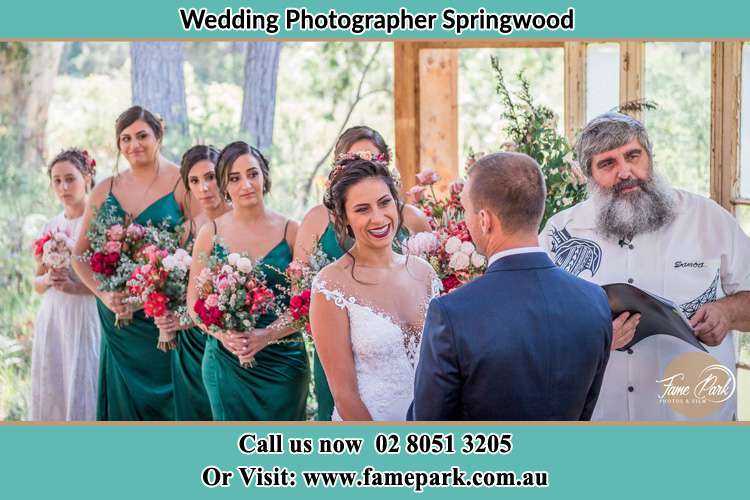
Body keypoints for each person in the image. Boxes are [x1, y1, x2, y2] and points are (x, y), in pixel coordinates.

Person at [540, 112, 750, 420]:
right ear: (588, 176)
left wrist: (726, 313)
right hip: (600, 428)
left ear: (649, 158)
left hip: (694, 429)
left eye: (633, 155)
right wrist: (591, 339)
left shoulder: (708, 220)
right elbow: (537, 326)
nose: (625, 171)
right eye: (607, 163)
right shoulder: (561, 233)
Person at [409, 152, 612, 420]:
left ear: (485, 220)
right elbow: (585, 412)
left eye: (466, 211)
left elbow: (428, 429)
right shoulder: (594, 300)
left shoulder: (452, 313)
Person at [295, 125, 431, 421]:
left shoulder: (424, 273)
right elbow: (344, 394)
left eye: (384, 203)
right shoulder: (331, 285)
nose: (378, 218)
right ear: (344, 217)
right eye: (362, 209)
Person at [73, 106, 188, 420]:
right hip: (119, 317)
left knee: (172, 399)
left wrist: (159, 296)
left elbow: (196, 250)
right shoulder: (104, 189)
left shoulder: (182, 182)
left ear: (158, 136)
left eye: (142, 136)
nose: (134, 144)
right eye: (125, 138)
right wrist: (104, 295)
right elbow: (78, 254)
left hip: (163, 316)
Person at [187, 141, 309, 420]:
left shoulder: (292, 231)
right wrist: (224, 336)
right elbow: (194, 304)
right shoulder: (210, 233)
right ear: (224, 185)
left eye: (252, 174)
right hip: (226, 363)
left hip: (284, 366)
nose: (246, 184)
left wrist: (266, 335)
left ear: (264, 175)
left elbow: (304, 306)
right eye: (234, 178)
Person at [154, 145, 229, 421]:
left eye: (210, 177)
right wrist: (166, 313)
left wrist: (187, 319)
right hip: (189, 346)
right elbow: (178, 286)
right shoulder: (187, 229)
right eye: (194, 181)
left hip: (228, 340)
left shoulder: (241, 223)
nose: (204, 187)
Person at [31, 148, 101, 421]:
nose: (63, 187)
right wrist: (49, 278)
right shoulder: (50, 225)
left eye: (70, 179)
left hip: (85, 312)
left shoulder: (97, 223)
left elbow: (108, 284)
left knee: (84, 376)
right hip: (54, 314)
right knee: (55, 380)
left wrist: (76, 286)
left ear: (87, 178)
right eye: (57, 181)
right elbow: (36, 284)